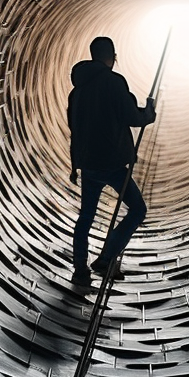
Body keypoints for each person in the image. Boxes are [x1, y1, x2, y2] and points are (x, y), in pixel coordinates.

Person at [68, 36, 156, 286]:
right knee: (137, 209)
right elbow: (132, 117)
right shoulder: (114, 82)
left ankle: (80, 270)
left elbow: (74, 127)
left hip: (89, 165)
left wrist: (75, 165)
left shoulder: (78, 89)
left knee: (86, 218)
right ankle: (106, 258)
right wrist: (148, 113)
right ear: (112, 57)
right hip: (113, 163)